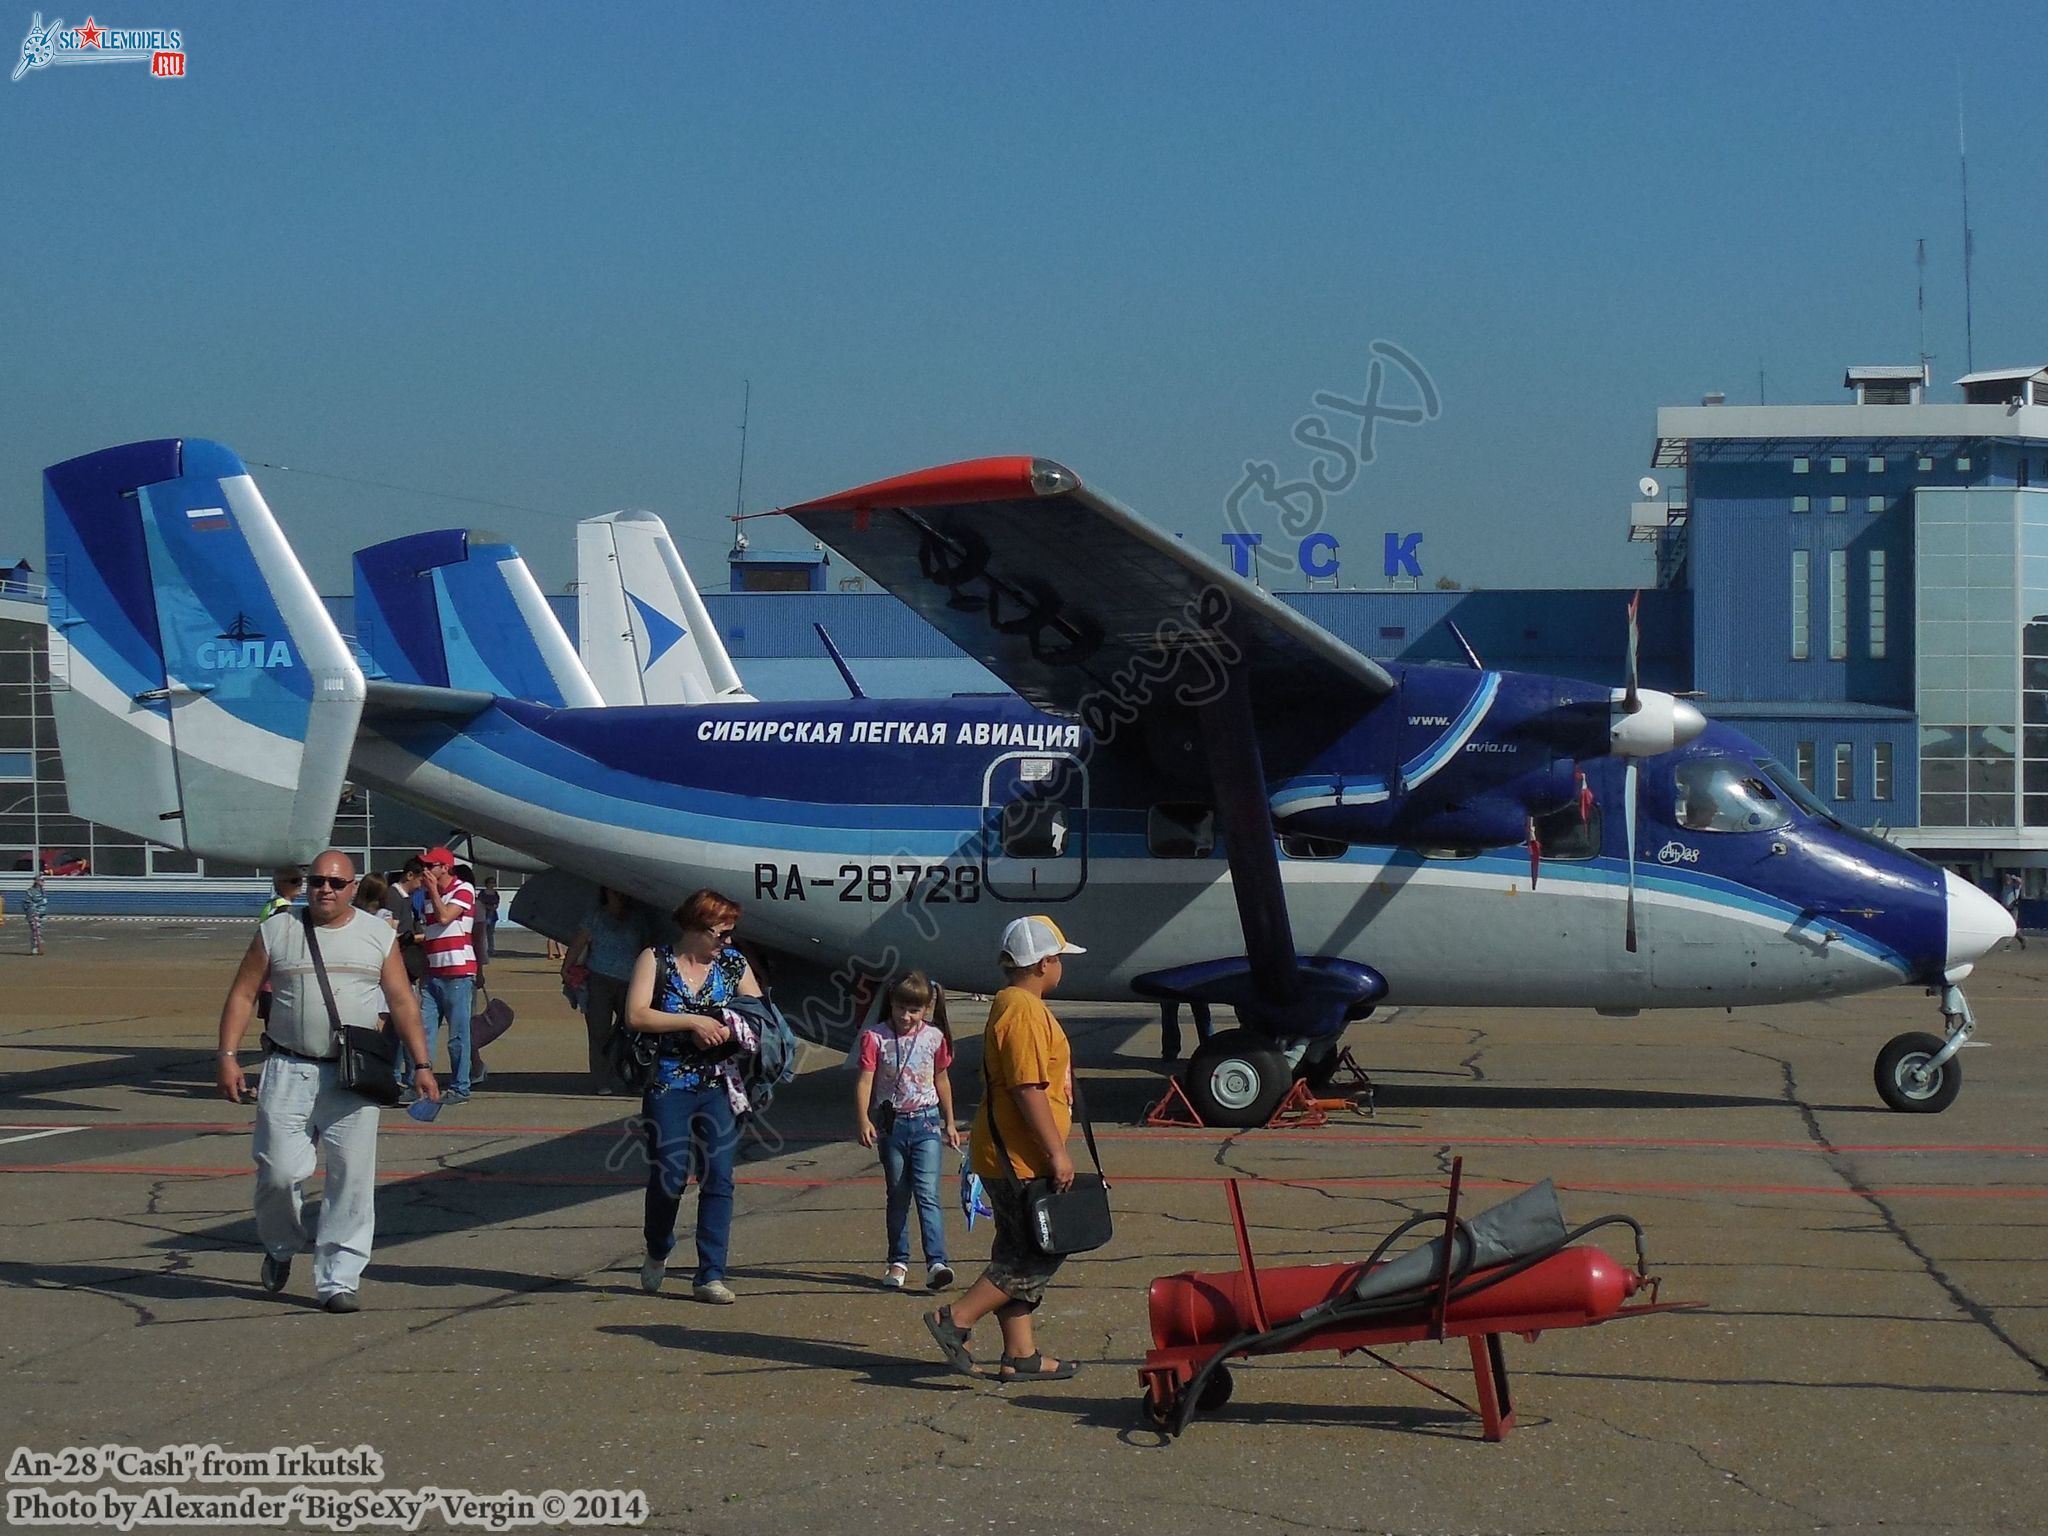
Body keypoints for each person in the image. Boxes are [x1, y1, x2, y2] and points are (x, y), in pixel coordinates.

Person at [215, 849, 438, 1312]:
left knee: (351, 1179)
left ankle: (339, 1278)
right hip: (288, 1069)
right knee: (278, 1173)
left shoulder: (377, 934)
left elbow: (401, 1001)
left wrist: (421, 1064)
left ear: (354, 888)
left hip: (353, 1076)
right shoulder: (278, 930)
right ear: (306, 884)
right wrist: (228, 1057)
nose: (326, 890)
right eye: (318, 881)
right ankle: (280, 1247)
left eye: (337, 883)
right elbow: (241, 994)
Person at [925, 915, 1086, 1382]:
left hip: (1011, 1154)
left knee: (1015, 1249)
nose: (1061, 968)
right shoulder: (1022, 1011)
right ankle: (954, 1320)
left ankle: (1021, 1353)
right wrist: (1057, 1153)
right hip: (1019, 1158)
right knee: (1035, 1254)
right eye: (1059, 959)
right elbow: (1027, 1088)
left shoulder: (1016, 1005)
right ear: (1043, 963)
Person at [624, 889, 761, 1304]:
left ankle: (710, 1274)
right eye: (721, 934)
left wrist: (726, 1025)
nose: (727, 943)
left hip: (720, 1084)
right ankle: (658, 1246)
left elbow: (757, 1013)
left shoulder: (733, 964)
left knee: (719, 1177)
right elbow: (636, 1014)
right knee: (669, 1177)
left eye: (730, 934)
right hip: (668, 1085)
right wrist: (693, 1022)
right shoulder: (656, 959)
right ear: (696, 928)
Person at [855, 972, 960, 1291]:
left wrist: (950, 1121)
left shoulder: (934, 1037)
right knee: (898, 1195)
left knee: (928, 1194)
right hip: (892, 1124)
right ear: (891, 1004)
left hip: (926, 1121)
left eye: (914, 1010)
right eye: (900, 1008)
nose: (905, 1016)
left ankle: (937, 1262)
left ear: (926, 1009)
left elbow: (941, 1079)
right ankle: (897, 1260)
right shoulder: (876, 1037)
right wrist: (863, 1118)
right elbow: (865, 1080)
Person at [564, 886, 647, 1095]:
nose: (618, 895)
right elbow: (579, 941)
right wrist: (567, 967)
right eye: (613, 891)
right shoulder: (595, 917)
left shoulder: (638, 918)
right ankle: (602, 1080)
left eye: (620, 891)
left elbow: (646, 947)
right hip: (599, 979)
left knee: (633, 1032)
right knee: (599, 1031)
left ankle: (633, 1075)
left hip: (630, 981)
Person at [413, 847, 478, 1104]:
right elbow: (429, 932)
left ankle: (461, 1087)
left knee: (458, 1035)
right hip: (433, 972)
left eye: (431, 866)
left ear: (445, 867)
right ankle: (419, 1082)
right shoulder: (429, 896)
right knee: (424, 1031)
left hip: (458, 972)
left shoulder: (463, 889)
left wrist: (431, 892)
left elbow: (443, 917)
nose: (426, 871)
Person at [382, 858, 429, 993]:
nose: (420, 886)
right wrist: (416, 937)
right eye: (420, 880)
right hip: (400, 958)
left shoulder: (406, 898)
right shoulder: (393, 897)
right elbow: (391, 931)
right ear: (409, 876)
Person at [23, 875, 48, 956]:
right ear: (36, 881)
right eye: (41, 880)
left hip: (41, 913)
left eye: (43, 880)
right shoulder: (30, 891)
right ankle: (35, 948)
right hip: (33, 914)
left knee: (39, 931)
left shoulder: (43, 891)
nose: (43, 882)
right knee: (35, 931)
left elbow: (44, 902)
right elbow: (26, 903)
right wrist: (32, 912)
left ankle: (37, 947)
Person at [478, 875, 502, 962]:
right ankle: (482, 949)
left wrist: (493, 908)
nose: (492, 884)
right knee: (482, 934)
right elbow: (480, 902)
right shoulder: (482, 893)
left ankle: (491, 949)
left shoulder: (495, 893)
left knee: (490, 933)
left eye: (493, 882)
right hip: (483, 914)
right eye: (490, 882)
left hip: (492, 915)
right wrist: (487, 907)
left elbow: (497, 903)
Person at [2001, 871, 2027, 950]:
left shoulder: (2015, 886)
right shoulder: (2004, 887)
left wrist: (2014, 877)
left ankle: (2020, 940)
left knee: (2012, 926)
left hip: (2013, 909)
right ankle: (2017, 941)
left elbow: (2020, 881)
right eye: (2005, 879)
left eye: (2007, 879)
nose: (2006, 881)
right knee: (2005, 926)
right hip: (2005, 909)